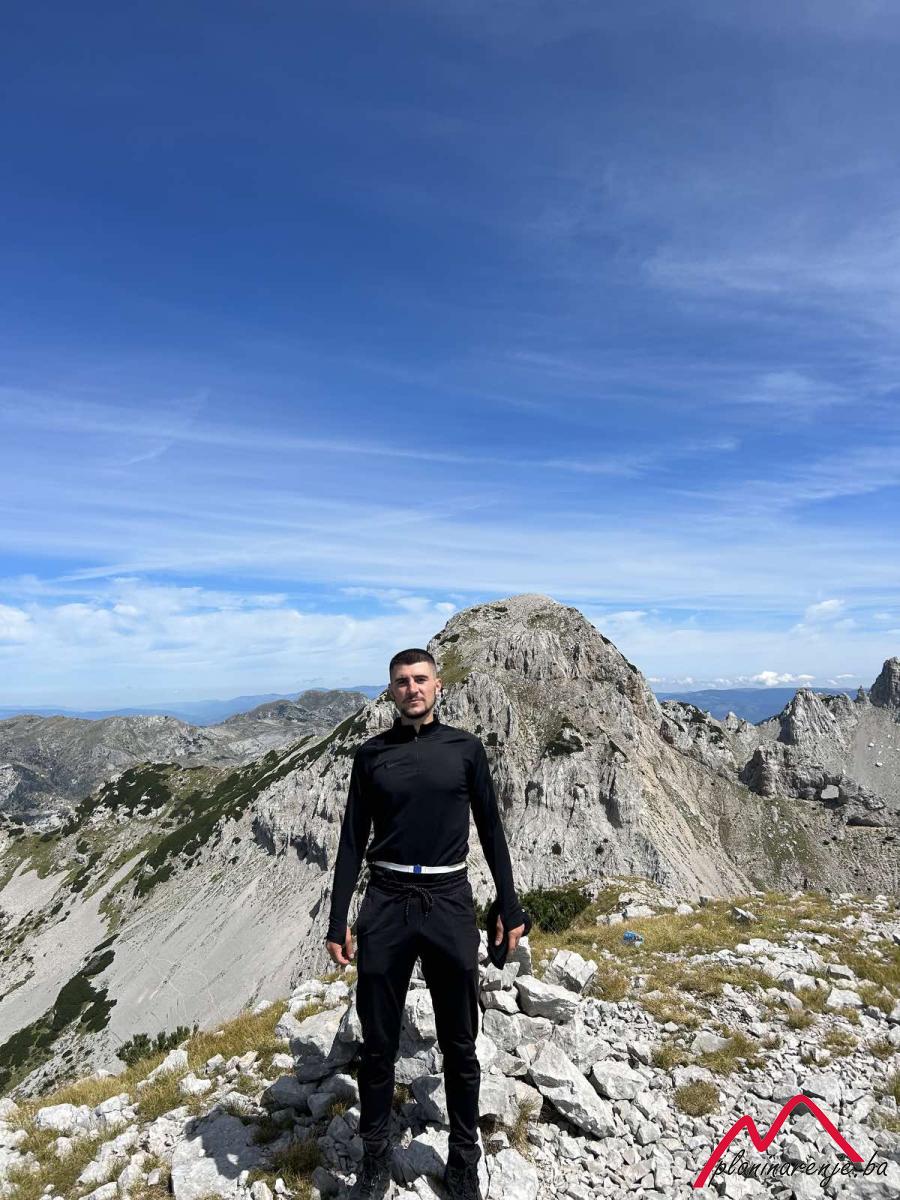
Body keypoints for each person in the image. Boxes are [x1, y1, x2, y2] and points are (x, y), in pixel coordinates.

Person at [325, 649, 527, 1200]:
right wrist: (338, 920)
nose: (411, 688)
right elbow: (351, 841)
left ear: (438, 686)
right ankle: (374, 1159)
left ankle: (464, 1160)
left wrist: (510, 906)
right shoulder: (371, 755)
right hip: (386, 900)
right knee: (377, 1043)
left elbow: (492, 830)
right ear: (390, 691)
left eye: (420, 679)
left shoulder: (466, 749)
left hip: (449, 898)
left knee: (460, 1042)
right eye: (401, 682)